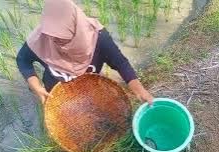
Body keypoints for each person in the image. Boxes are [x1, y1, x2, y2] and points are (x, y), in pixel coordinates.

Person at [16, 0, 154, 105]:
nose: (52, 40)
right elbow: (22, 60)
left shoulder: (97, 37)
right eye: (50, 35)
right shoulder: (41, 37)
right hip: (55, 93)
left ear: (74, 28)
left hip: (88, 86)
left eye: (60, 37)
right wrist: (36, 86)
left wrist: (139, 90)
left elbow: (120, 63)